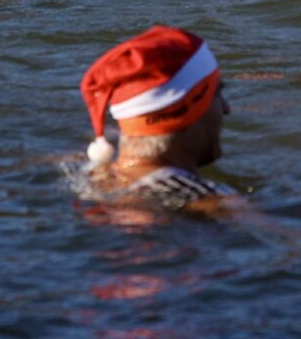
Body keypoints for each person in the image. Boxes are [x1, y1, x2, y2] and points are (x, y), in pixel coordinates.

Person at [78, 25, 235, 213]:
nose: (226, 108)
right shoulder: (212, 201)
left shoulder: (86, 173)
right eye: (217, 94)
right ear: (187, 112)